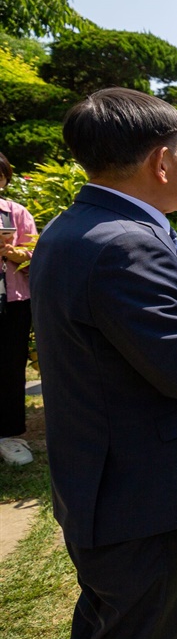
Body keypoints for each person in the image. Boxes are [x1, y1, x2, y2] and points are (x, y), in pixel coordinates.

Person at [29, 88, 177, 639]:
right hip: (145, 499)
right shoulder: (126, 243)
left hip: (102, 485)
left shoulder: (70, 229)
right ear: (161, 159)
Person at [0, 152, 37, 467]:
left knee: (10, 368)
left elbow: (34, 257)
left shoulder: (16, 212)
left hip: (13, 303)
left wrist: (12, 252)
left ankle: (10, 436)